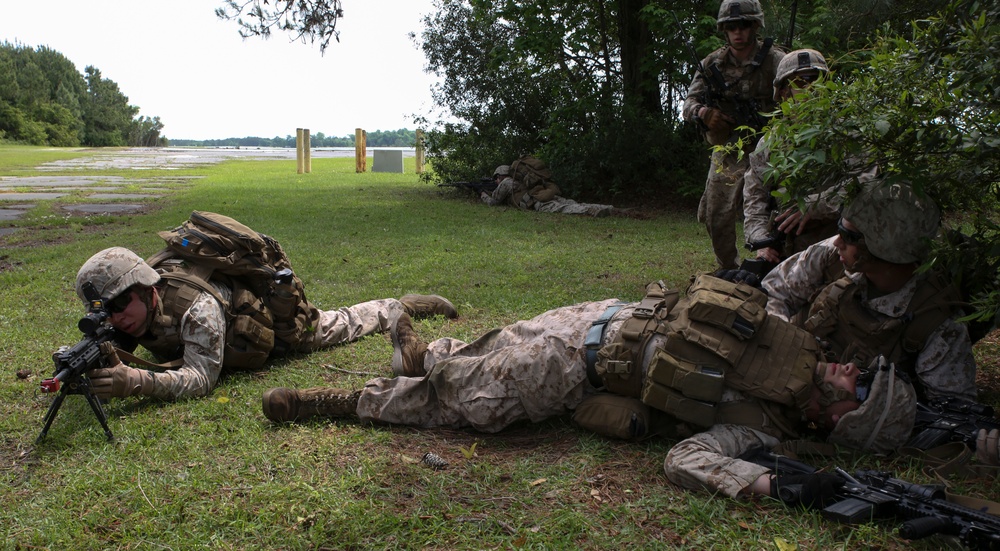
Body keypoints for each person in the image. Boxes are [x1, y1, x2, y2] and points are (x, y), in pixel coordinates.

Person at [260, 276, 915, 467]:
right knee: (474, 397)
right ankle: (414, 349)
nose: (851, 368)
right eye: (864, 369)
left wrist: (770, 485)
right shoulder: (795, 334)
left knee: (466, 399)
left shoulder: (759, 429)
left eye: (861, 385)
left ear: (842, 416)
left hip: (584, 362)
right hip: (597, 325)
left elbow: (687, 459)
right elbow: (791, 277)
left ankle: (339, 399)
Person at [74, 247, 459, 401]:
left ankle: (398, 306)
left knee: (338, 325)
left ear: (147, 291)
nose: (115, 317)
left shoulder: (197, 308)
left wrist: (136, 381)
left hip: (273, 327)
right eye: (104, 311)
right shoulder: (126, 315)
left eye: (121, 304)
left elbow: (200, 379)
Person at [760, 179, 977, 402]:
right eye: (840, 230)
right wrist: (785, 347)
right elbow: (774, 291)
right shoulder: (833, 256)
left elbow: (950, 408)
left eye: (850, 236)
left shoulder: (936, 323)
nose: (837, 242)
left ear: (883, 247)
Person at [743, 49, 878, 266]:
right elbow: (754, 199)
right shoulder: (770, 143)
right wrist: (762, 243)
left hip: (842, 247)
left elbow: (868, 182)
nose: (812, 88)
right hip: (788, 252)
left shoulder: (848, 134)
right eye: (801, 82)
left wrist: (815, 205)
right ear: (785, 92)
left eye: (816, 79)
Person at [681, 0, 785, 270]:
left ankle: (778, 264)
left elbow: (800, 95)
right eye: (731, 27)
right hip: (730, 147)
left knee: (781, 207)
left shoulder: (777, 60)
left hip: (775, 147)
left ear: (754, 27)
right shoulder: (712, 63)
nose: (738, 33)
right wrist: (705, 114)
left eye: (743, 26)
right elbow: (688, 105)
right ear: (724, 30)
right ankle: (729, 269)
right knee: (716, 210)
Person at [481, 165, 613, 217]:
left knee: (563, 208)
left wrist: (483, 195)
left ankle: (591, 211)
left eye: (496, 179)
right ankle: (607, 207)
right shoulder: (521, 178)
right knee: (570, 202)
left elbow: (494, 202)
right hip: (545, 192)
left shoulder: (505, 183)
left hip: (537, 201)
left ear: (499, 176)